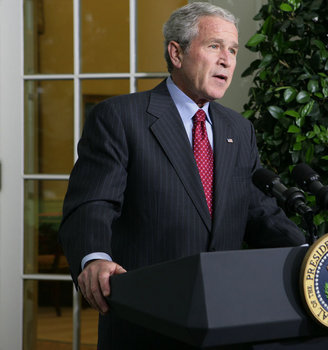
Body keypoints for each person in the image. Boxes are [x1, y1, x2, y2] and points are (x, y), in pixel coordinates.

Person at [58, 3, 305, 349]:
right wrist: (95, 257)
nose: (227, 60)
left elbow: (258, 210)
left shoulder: (239, 129)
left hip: (225, 322)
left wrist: (310, 256)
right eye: (214, 46)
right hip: (147, 322)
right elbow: (93, 203)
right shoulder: (120, 118)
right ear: (176, 53)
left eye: (233, 50)